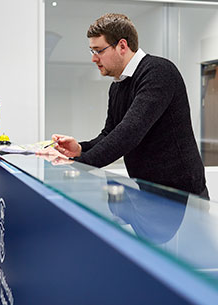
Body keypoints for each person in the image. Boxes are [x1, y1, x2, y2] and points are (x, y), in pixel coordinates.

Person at [43, 13, 208, 199]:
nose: (94, 59)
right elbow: (109, 133)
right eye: (92, 51)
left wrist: (80, 163)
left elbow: (130, 132)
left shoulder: (158, 72)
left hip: (182, 193)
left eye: (99, 51)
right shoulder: (118, 85)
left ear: (122, 45)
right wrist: (80, 149)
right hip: (148, 191)